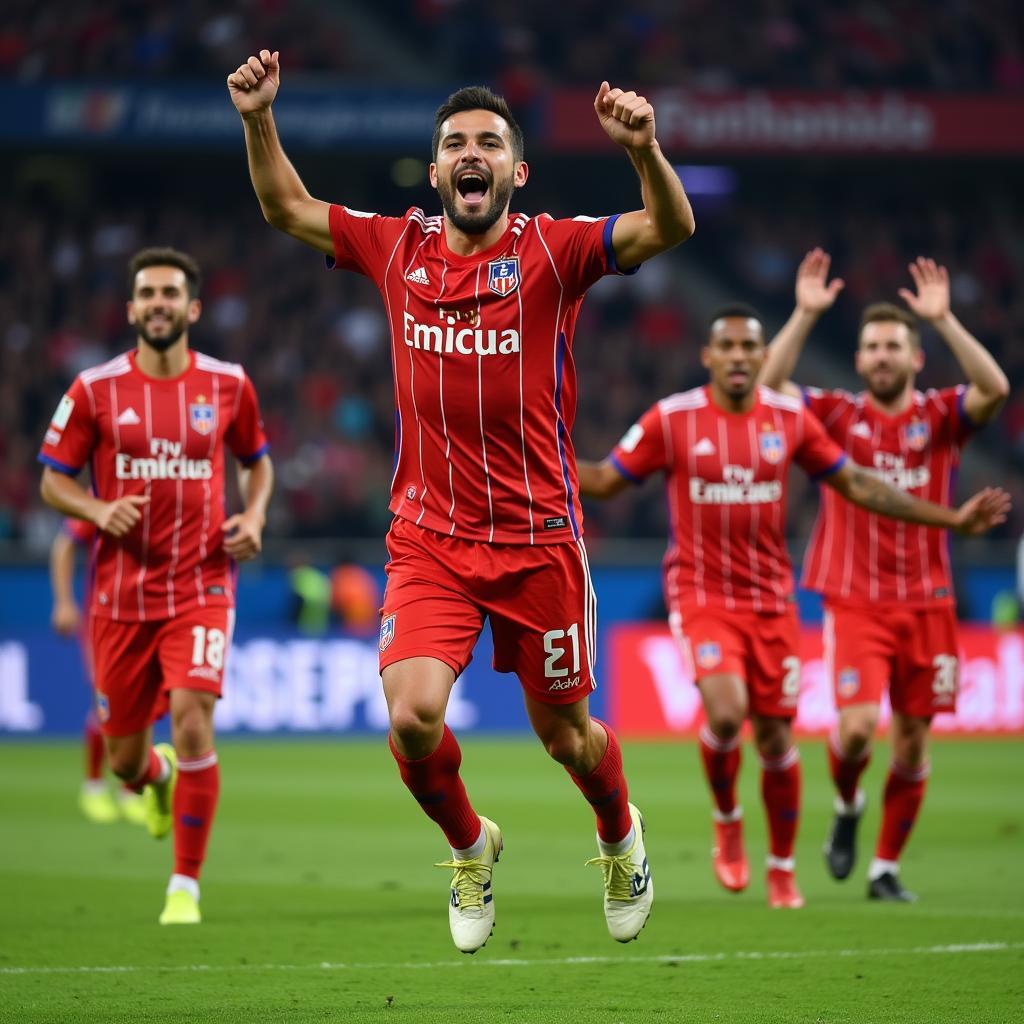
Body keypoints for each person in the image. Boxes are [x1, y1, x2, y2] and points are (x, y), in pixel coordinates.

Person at [228, 49, 695, 951]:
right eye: (454, 143)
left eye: (487, 141)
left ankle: (619, 833)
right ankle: (472, 844)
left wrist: (644, 150)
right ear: (436, 170)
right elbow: (285, 205)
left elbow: (667, 228)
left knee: (568, 739)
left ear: (515, 172)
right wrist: (257, 118)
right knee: (410, 718)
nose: (469, 152)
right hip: (430, 541)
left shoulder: (553, 252)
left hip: (540, 540)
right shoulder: (393, 246)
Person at [577, 303, 1008, 908]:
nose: (737, 357)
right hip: (702, 592)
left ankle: (781, 868)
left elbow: (857, 483)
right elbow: (604, 480)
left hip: (773, 597)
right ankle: (727, 821)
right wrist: (538, 461)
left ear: (761, 357)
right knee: (727, 715)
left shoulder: (789, 421)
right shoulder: (672, 419)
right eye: (725, 347)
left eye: (749, 347)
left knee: (779, 738)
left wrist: (951, 519)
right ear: (708, 356)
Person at [760, 251, 1010, 900]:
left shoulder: (940, 416)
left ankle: (884, 867)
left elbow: (996, 390)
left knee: (912, 742)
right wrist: (805, 313)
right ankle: (847, 809)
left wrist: (946, 318)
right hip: (857, 600)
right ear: (861, 357)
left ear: (915, 358)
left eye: (894, 346)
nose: (880, 356)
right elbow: (771, 385)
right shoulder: (840, 415)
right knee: (855, 729)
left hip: (929, 601)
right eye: (871, 346)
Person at [38, 247, 273, 925]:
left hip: (201, 583)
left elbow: (258, 465)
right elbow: (54, 477)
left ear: (192, 308)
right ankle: (158, 780)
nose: (160, 303)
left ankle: (184, 887)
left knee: (195, 719)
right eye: (148, 294)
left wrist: (253, 516)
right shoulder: (93, 389)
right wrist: (94, 509)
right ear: (133, 308)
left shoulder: (229, 385)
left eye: (172, 293)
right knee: (124, 762)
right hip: (118, 600)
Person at [50, 517, 148, 825]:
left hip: (152, 618)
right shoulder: (108, 494)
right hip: (105, 621)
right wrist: (64, 602)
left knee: (142, 703)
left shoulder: (171, 490)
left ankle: (131, 790)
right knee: (105, 701)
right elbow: (65, 543)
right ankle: (93, 786)